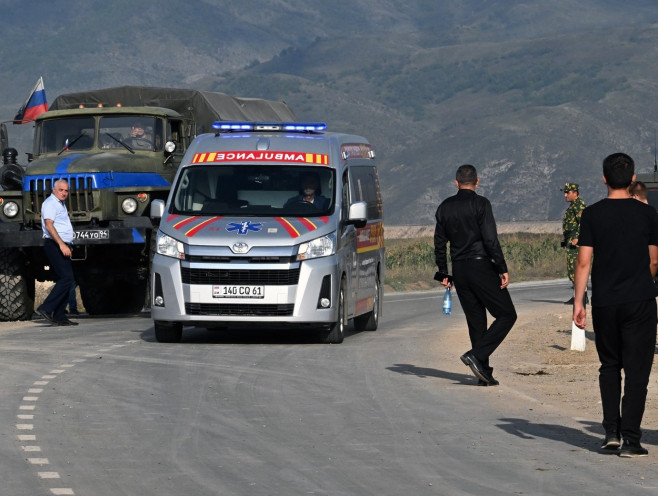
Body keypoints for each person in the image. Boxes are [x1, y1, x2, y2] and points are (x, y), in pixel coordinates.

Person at [573, 152, 658, 457]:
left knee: (610, 366)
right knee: (637, 373)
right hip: (639, 301)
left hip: (606, 302)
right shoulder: (648, 215)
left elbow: (583, 262)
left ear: (604, 178)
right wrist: (639, 279)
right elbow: (654, 260)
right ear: (633, 179)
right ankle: (632, 439)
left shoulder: (592, 214)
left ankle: (611, 432)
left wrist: (578, 303)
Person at [434, 164, 517, 386]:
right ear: (477, 182)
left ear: (456, 182)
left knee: (476, 322)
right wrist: (501, 268)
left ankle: (483, 373)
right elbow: (490, 240)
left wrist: (443, 272)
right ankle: (477, 355)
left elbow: (440, 243)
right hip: (480, 266)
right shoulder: (481, 204)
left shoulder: (444, 207)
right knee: (507, 314)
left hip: (459, 270)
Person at [36, 179, 79, 326]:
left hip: (61, 244)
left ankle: (60, 316)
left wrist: (68, 243)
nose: (64, 193)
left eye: (66, 190)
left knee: (68, 279)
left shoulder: (59, 203)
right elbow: (49, 226)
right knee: (66, 278)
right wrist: (61, 244)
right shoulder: (50, 204)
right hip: (54, 244)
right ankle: (46, 308)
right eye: (61, 190)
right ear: (54, 190)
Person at [561, 182, 586, 304]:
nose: (565, 195)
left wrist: (577, 237)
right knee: (572, 270)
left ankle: (581, 297)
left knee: (576, 269)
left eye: (568, 192)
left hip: (576, 243)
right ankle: (579, 295)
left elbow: (583, 223)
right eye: (565, 192)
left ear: (575, 193)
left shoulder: (579, 205)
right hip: (570, 241)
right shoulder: (573, 206)